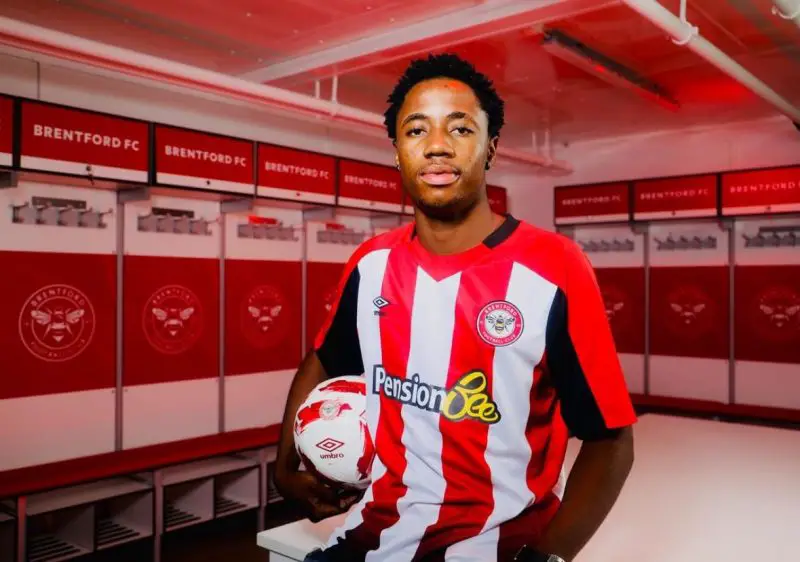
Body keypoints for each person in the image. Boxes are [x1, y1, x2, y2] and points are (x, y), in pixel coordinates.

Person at [273, 53, 637, 562]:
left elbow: (610, 441)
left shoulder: (554, 267)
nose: (438, 145)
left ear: (491, 148)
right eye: (416, 130)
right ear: (397, 152)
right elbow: (325, 358)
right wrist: (284, 466)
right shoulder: (371, 263)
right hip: (367, 541)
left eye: (461, 128)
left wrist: (547, 558)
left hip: (499, 550)